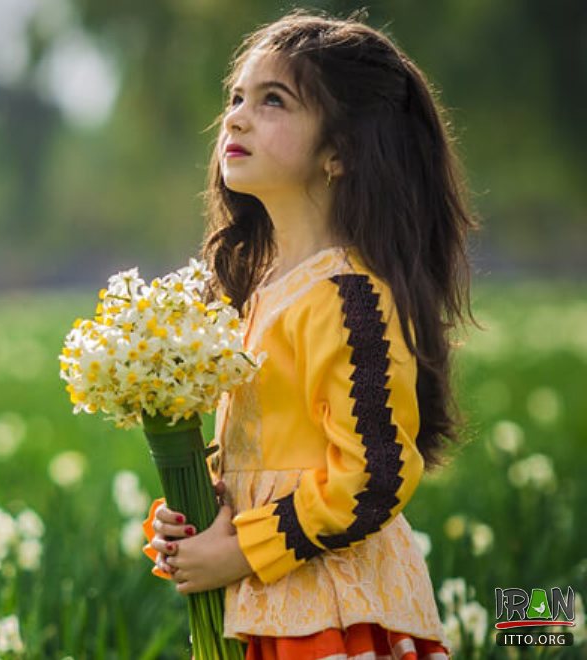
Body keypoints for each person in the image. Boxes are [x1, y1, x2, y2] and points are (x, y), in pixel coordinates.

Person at [141, 9, 478, 660]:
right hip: (267, 605)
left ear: (340, 152)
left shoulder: (346, 296)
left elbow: (373, 475)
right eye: (236, 98)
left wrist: (240, 551)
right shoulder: (254, 294)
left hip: (333, 612)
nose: (237, 118)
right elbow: (254, 456)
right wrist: (190, 518)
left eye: (273, 101)